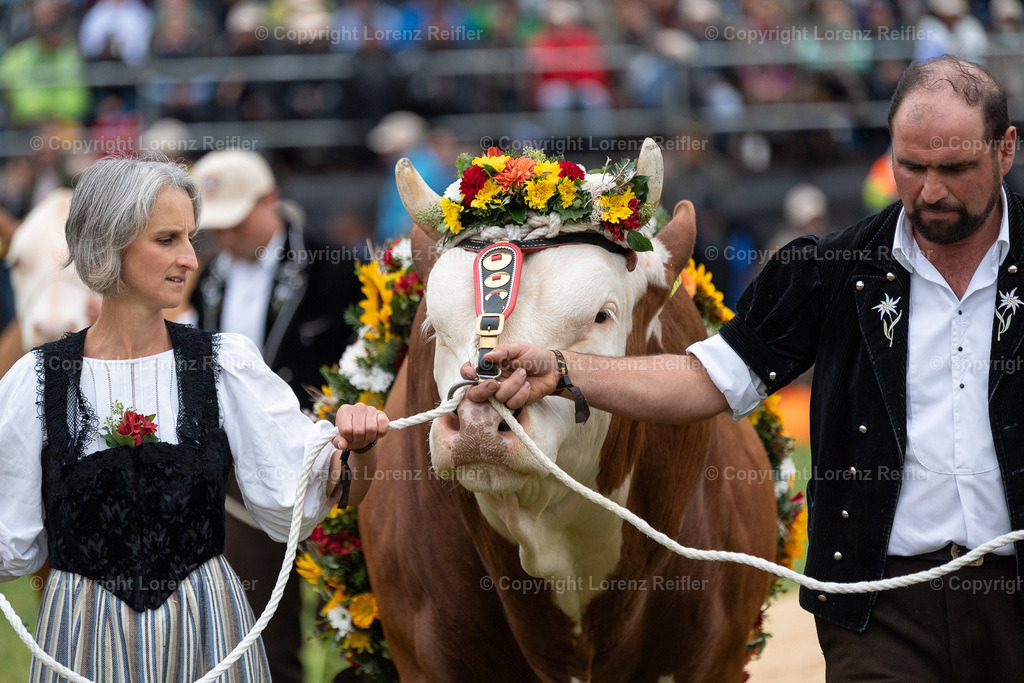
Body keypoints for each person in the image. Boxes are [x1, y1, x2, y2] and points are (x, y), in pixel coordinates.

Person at [462, 56, 1024, 679]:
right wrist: (564, 368)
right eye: (912, 167)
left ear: (1005, 149)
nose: (931, 191)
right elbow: (705, 380)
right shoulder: (828, 270)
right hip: (880, 610)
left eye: (956, 169)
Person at [0, 156, 388, 682]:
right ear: (107, 245)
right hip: (82, 635)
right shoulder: (37, 380)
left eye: (190, 239)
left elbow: (318, 492)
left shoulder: (224, 364)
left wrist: (361, 448)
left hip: (206, 627)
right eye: (167, 240)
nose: (189, 258)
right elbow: (11, 541)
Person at [189, 148, 361, 682]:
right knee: (258, 625)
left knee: (354, 617)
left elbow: (366, 358)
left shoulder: (335, 266)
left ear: (271, 202)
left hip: (329, 460)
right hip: (241, 475)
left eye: (234, 221)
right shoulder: (209, 276)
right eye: (214, 225)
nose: (223, 235)